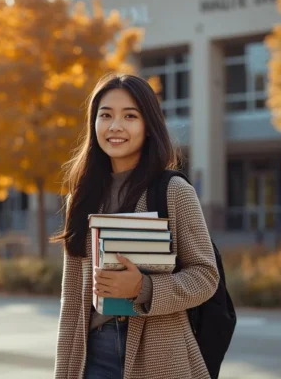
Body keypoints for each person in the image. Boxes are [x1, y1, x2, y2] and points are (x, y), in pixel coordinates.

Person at [53, 73, 220, 379]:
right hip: (92, 355)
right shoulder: (81, 196)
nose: (115, 126)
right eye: (105, 115)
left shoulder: (173, 191)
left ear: (148, 126)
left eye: (130, 116)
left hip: (160, 354)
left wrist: (143, 288)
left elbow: (206, 276)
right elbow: (73, 300)